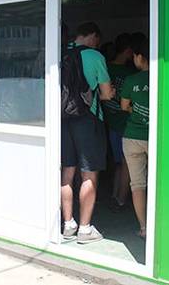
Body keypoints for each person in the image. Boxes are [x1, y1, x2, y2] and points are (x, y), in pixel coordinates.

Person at [61, 22, 115, 244]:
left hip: (63, 119)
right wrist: (110, 91)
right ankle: (85, 229)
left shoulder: (61, 52)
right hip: (88, 120)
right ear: (93, 36)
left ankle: (68, 224)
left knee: (67, 172)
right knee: (89, 174)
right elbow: (105, 94)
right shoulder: (95, 56)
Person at [102, 33, 136, 211]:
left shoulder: (105, 68)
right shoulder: (130, 74)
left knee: (118, 163)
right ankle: (121, 200)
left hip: (109, 122)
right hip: (126, 124)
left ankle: (115, 196)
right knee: (126, 163)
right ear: (129, 51)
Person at [120, 36, 150, 239]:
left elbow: (124, 106)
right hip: (154, 137)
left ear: (140, 57)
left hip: (132, 137)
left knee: (137, 184)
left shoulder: (132, 80)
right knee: (159, 181)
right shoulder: (161, 77)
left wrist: (135, 111)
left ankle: (144, 228)